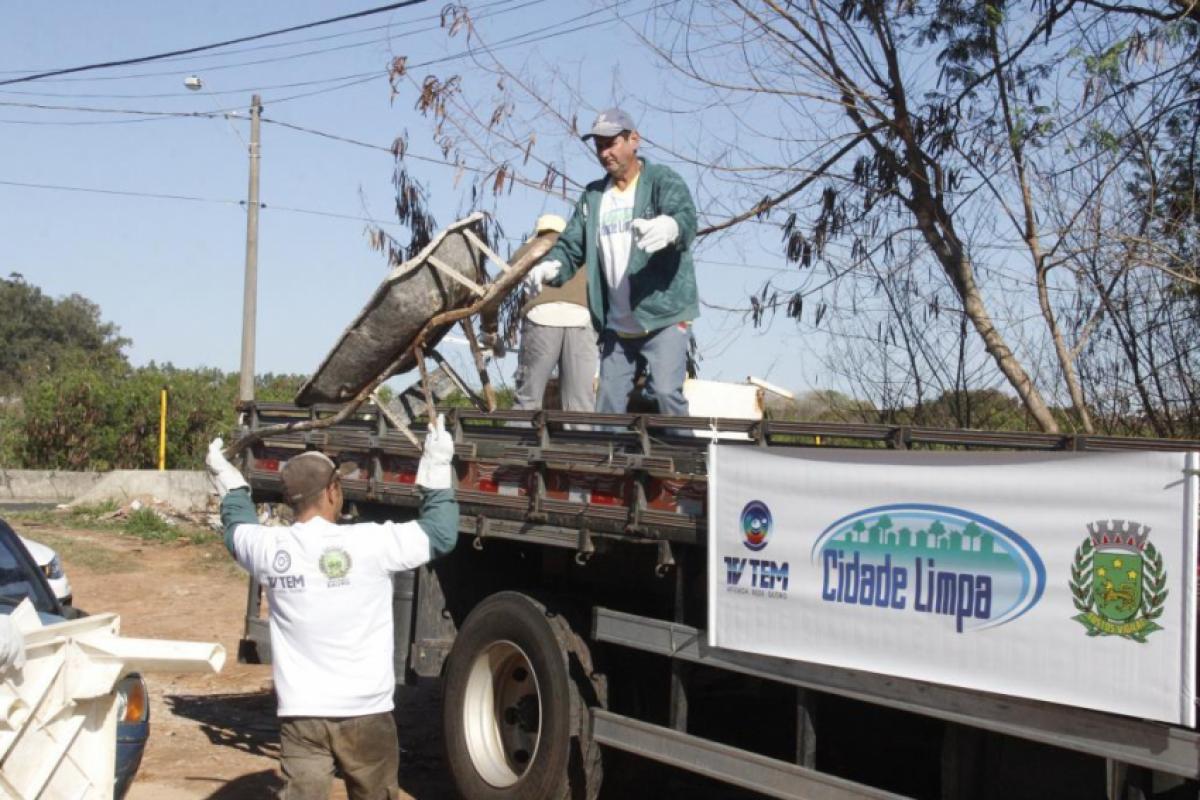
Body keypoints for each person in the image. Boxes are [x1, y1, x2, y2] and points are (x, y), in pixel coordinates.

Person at [205, 417, 458, 800]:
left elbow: (235, 526)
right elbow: (440, 533)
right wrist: (437, 464)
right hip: (365, 712)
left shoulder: (271, 550)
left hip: (301, 715)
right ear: (332, 491)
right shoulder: (370, 544)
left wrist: (229, 479)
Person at [527, 107, 698, 416]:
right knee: (607, 405)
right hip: (618, 326)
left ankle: (684, 460)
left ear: (634, 140)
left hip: (664, 317)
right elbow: (571, 246)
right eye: (599, 146)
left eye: (611, 143)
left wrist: (671, 227)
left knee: (663, 393)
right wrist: (552, 266)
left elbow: (685, 215)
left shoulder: (661, 180)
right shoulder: (593, 197)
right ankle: (612, 462)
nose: (605, 153)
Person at [516, 213, 597, 412]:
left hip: (541, 320)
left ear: (538, 232)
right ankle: (582, 443)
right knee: (580, 403)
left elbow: (498, 288)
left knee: (528, 397)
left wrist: (489, 331)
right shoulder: (584, 253)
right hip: (581, 321)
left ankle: (518, 439)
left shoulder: (528, 250)